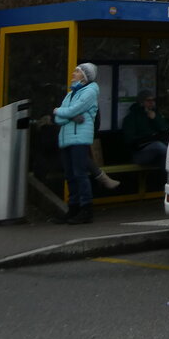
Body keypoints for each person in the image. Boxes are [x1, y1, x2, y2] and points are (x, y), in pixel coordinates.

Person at [53, 63, 100, 224]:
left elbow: (67, 111)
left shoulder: (90, 91)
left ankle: (86, 209)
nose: (73, 73)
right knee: (70, 175)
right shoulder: (71, 93)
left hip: (79, 138)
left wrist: (59, 111)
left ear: (85, 76)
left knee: (80, 173)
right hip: (66, 138)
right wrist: (68, 115)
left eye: (77, 71)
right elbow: (59, 119)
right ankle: (73, 208)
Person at [122, 89, 169, 167]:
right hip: (140, 153)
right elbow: (129, 139)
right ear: (141, 102)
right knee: (159, 147)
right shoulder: (132, 117)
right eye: (148, 101)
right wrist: (147, 138)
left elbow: (167, 130)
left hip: (157, 151)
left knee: (167, 151)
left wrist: (155, 119)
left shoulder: (156, 114)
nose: (151, 103)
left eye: (153, 100)